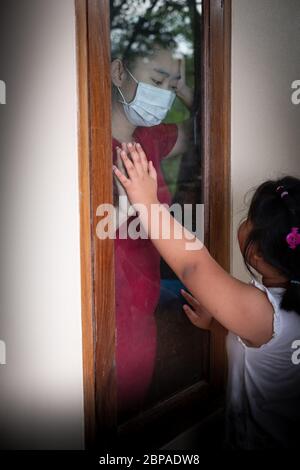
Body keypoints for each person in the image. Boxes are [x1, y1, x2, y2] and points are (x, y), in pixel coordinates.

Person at [113, 142, 300, 449]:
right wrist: (219, 324)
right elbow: (270, 352)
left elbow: (193, 264)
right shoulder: (274, 310)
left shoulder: (262, 313)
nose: (245, 222)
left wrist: (147, 203)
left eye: (249, 219)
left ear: (254, 252)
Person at [111, 42, 194, 418]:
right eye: (156, 80)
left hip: (142, 313)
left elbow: (204, 130)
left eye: (172, 85)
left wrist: (187, 92)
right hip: (103, 318)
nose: (163, 94)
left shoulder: (152, 139)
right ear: (117, 73)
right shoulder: (85, 142)